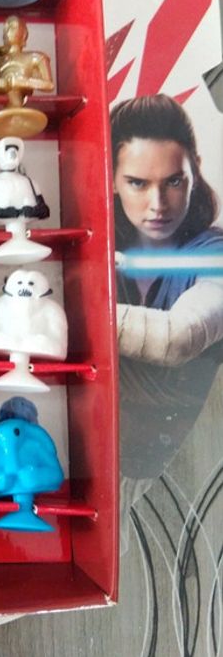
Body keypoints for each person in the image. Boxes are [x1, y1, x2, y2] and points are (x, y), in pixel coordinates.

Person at [111, 94, 223, 520]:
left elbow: (178, 337)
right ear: (112, 179)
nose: (157, 204)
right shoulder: (99, 251)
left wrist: (78, 316)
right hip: (96, 471)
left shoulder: (212, 251)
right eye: (138, 183)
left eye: (173, 182)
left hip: (174, 492)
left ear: (195, 169)